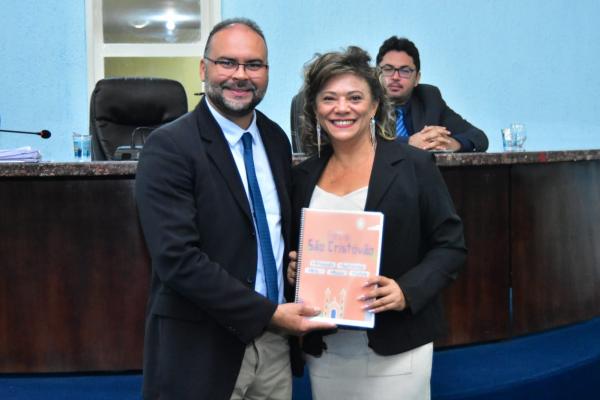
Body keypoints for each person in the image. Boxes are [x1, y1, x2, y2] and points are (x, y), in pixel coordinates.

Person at [135, 18, 334, 400]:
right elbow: (177, 259)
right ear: (203, 68)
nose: (240, 75)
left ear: (267, 72)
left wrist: (295, 267)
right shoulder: (170, 147)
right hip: (202, 347)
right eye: (227, 62)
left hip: (275, 348)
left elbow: (273, 235)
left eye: (253, 65)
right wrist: (268, 314)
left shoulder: (276, 139)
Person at [287, 46, 467, 400]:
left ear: (374, 105)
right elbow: (292, 251)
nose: (341, 108)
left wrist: (406, 291)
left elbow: (451, 245)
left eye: (355, 97)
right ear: (314, 108)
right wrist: (294, 271)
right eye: (329, 98)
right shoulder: (303, 176)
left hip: (397, 345)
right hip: (327, 348)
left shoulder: (414, 165)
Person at [376, 36, 488, 152]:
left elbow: (478, 137)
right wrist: (408, 142)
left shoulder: (428, 98)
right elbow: (361, 142)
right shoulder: (363, 100)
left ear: (417, 79)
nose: (395, 77)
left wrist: (452, 143)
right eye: (388, 69)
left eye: (405, 71)